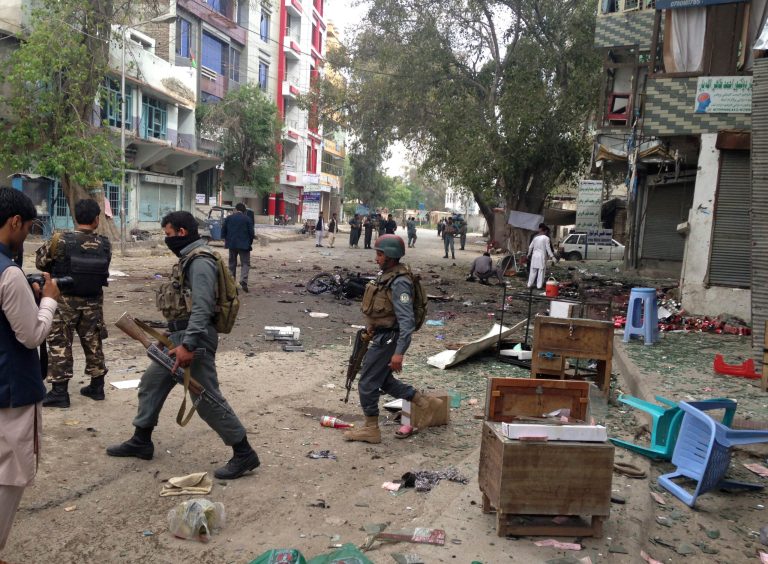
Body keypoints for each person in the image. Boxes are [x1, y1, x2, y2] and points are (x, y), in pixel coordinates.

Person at [106, 211, 259, 480]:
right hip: (178, 338)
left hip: (193, 339)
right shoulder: (190, 257)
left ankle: (243, 452)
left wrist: (188, 345)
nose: (166, 240)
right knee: (151, 384)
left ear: (182, 232)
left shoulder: (200, 261)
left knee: (206, 397)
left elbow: (202, 308)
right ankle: (141, 440)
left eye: (168, 234)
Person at [0, 188, 59, 551]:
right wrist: (48, 301)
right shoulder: (9, 276)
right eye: (28, 228)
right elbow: (32, 335)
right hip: (12, 389)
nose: (27, 237)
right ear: (15, 222)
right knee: (10, 473)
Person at [343, 235, 445, 444]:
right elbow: (383, 311)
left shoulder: (400, 283)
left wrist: (399, 353)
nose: (376, 259)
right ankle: (425, 402)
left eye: (380, 254)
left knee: (367, 383)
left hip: (389, 340)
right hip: (381, 336)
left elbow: (406, 322)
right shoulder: (387, 276)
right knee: (384, 381)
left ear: (390, 256)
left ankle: (371, 429)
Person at [35, 199, 111, 408]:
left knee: (60, 343)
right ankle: (97, 386)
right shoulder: (104, 244)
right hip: (93, 300)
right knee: (93, 341)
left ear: (75, 218)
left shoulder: (60, 240)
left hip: (64, 300)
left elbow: (41, 262)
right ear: (96, 220)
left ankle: (60, 392)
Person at [221, 203, 254, 293]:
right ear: (244, 211)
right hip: (244, 245)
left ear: (235, 209)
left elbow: (223, 230)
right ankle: (243, 281)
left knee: (232, 264)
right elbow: (251, 233)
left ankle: (231, 283)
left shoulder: (229, 218)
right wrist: (249, 243)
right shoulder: (247, 219)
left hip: (232, 245)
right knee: (245, 263)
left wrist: (226, 241)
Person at [527, 223, 557, 289]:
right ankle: (539, 286)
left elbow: (530, 247)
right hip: (541, 257)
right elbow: (548, 249)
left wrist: (528, 254)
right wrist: (552, 257)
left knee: (533, 271)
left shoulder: (535, 238)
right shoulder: (546, 238)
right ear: (545, 231)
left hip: (534, 256)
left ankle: (529, 285)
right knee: (541, 272)